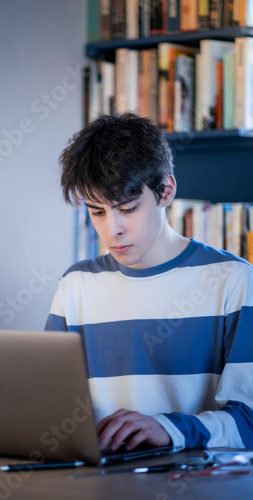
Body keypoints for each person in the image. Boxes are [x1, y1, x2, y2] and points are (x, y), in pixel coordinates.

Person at [45, 112, 253, 452]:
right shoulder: (76, 284)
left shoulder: (233, 281)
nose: (113, 230)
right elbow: (49, 405)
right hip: (94, 482)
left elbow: (250, 421)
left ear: (166, 191)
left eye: (127, 208)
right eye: (97, 212)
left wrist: (168, 428)